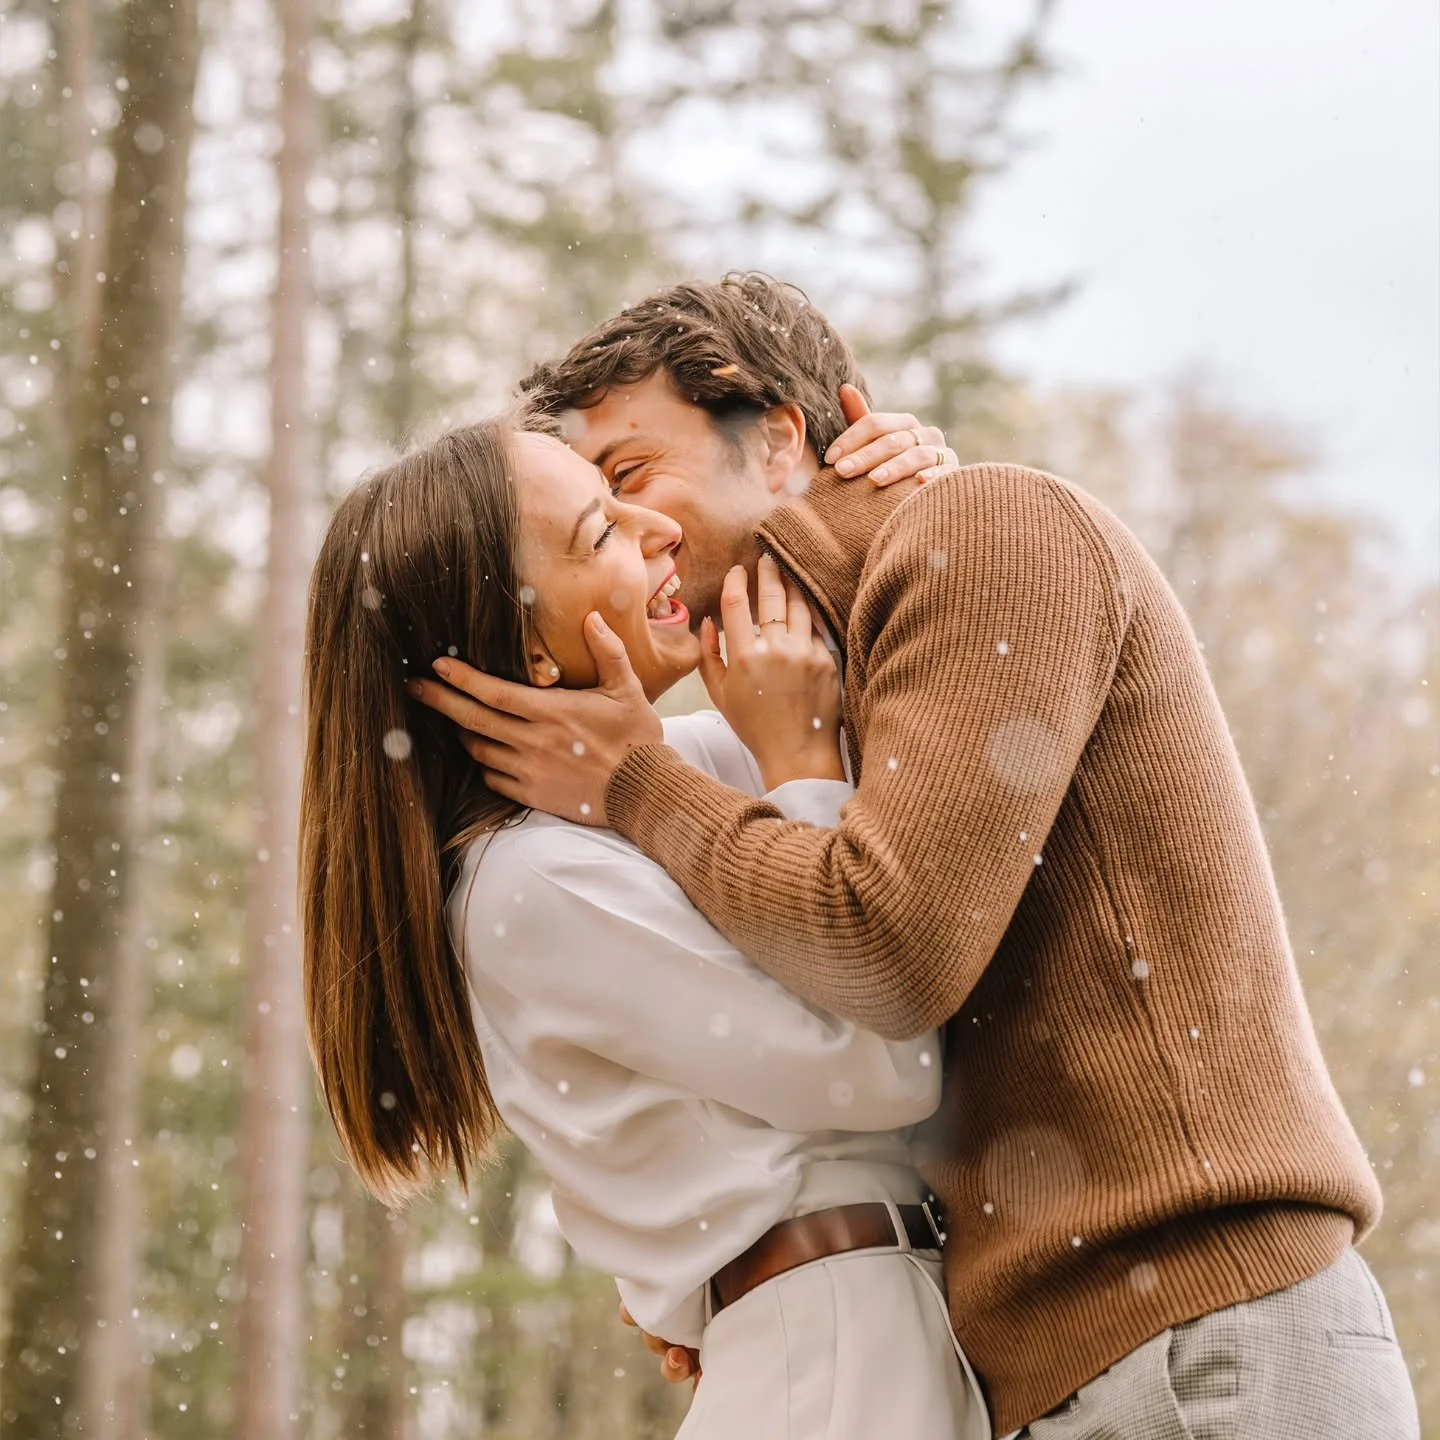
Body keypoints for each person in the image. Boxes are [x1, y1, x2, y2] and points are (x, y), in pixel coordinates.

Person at [413, 273, 1421, 1439]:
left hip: (1200, 1332)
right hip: (1085, 1357)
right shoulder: (829, 689)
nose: (632, 536)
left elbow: (887, 960)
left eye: (631, 475)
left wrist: (639, 780)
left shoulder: (984, 529)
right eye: (594, 506)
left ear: (780, 440)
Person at [299, 413, 991, 1439]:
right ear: (535, 652)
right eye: (599, 531)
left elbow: (890, 693)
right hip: (837, 1357)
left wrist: (915, 483)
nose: (655, 526)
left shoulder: (656, 784)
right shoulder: (530, 883)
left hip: (862, 1329)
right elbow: (883, 1063)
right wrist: (801, 765)